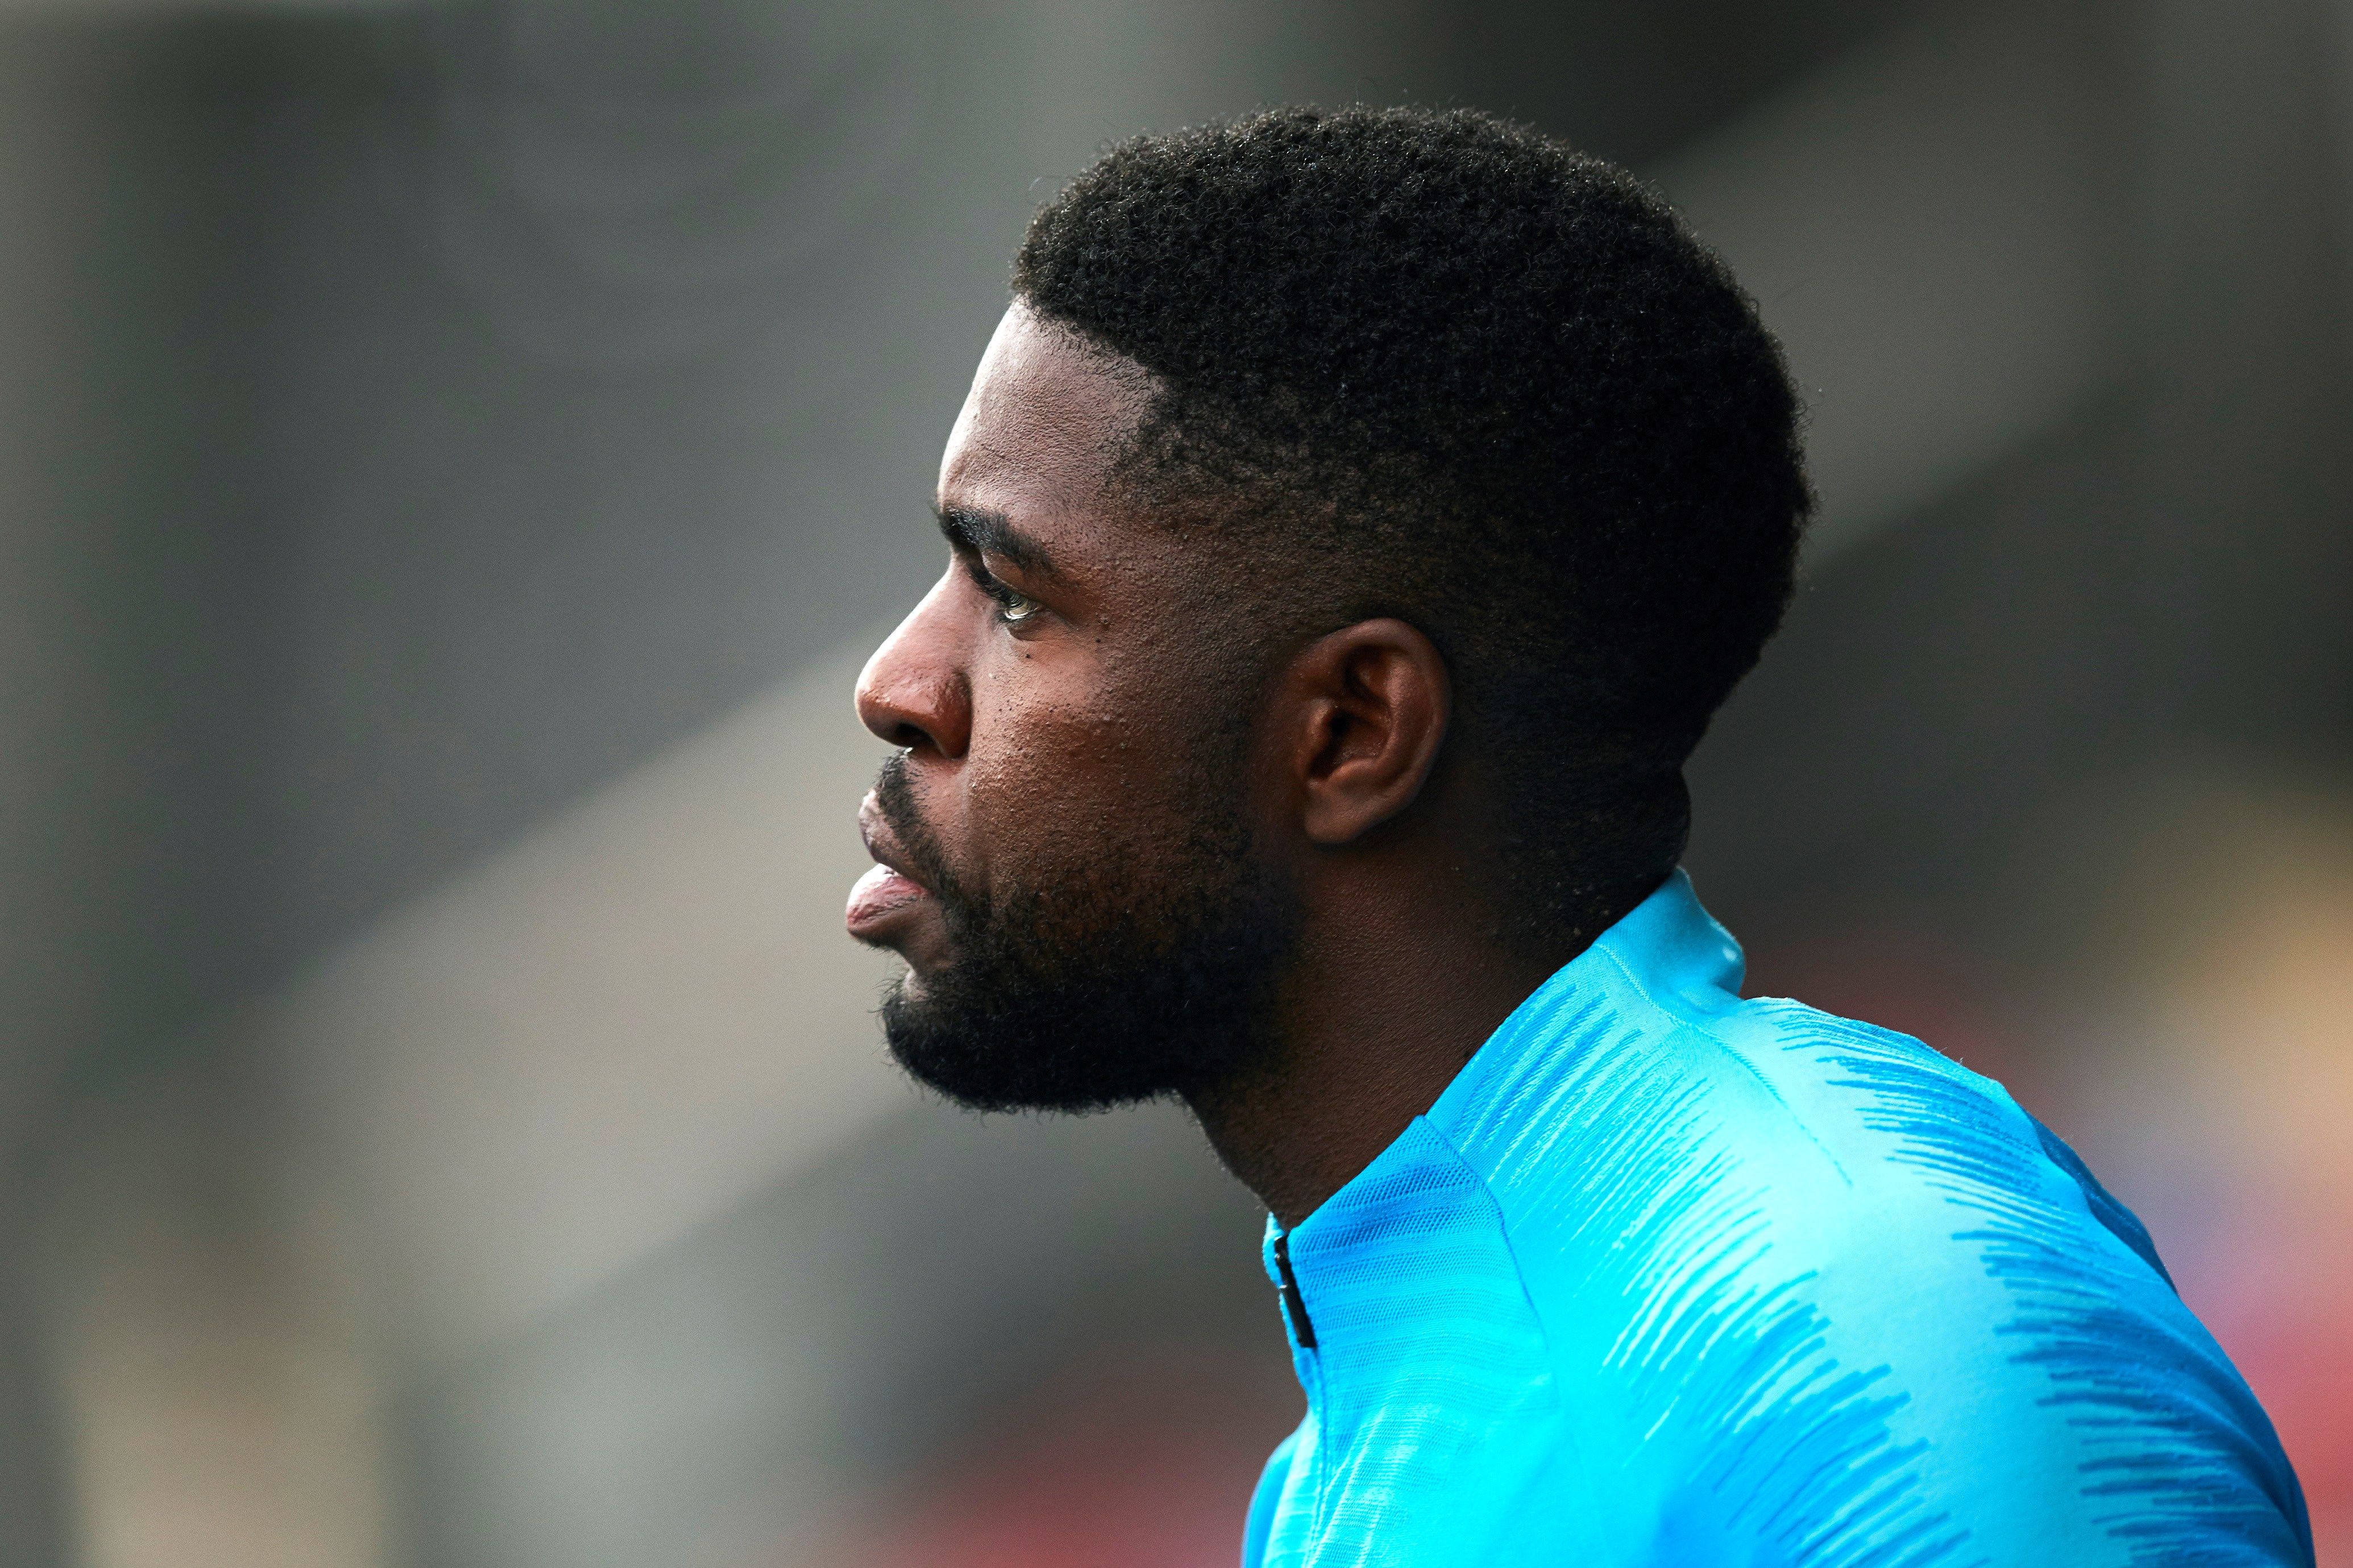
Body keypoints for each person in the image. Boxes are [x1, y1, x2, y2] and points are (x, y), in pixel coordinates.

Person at [843, 105, 2313, 1567]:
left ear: (1351, 732)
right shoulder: (1354, 1449)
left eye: (1017, 596)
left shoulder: (1867, 1331)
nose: (899, 683)